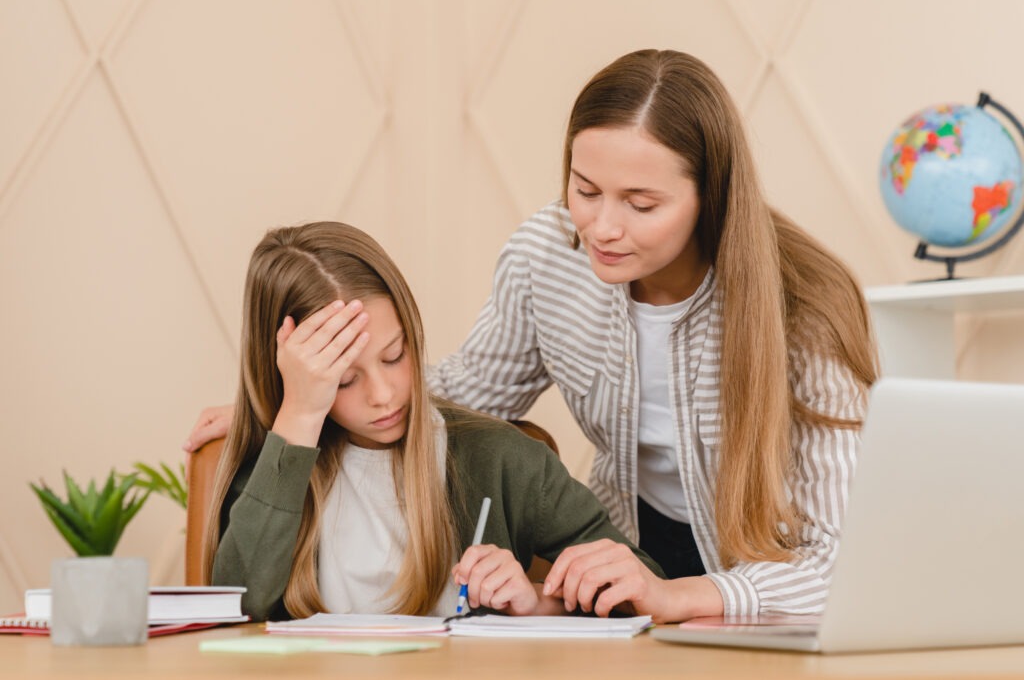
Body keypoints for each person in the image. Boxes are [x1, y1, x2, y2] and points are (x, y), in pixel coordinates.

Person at [187, 49, 877, 623]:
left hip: (771, 576)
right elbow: (457, 391)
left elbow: (842, 567)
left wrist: (674, 594)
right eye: (584, 189)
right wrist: (292, 405)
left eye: (642, 204)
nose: (602, 228)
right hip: (631, 562)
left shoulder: (805, 307)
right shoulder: (547, 258)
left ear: (713, 197)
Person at [204, 221, 661, 622]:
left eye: (395, 355)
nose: (383, 396)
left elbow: (644, 587)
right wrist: (299, 417)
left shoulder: (502, 459)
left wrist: (537, 599)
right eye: (343, 380)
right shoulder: (272, 468)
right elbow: (240, 607)